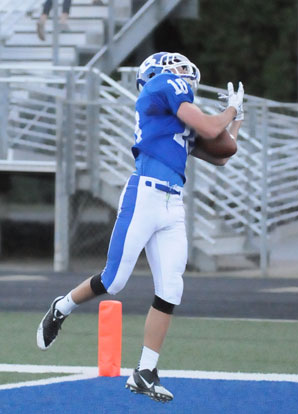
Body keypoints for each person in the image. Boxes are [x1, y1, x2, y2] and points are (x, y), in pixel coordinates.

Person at [36, 52, 244, 403]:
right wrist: (231, 112)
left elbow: (224, 151)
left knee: (171, 289)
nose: (183, 73)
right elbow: (211, 127)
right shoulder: (162, 85)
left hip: (173, 203)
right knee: (114, 280)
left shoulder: (175, 114)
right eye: (177, 66)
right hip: (145, 193)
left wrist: (238, 119)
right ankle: (62, 307)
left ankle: (145, 371)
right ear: (159, 71)